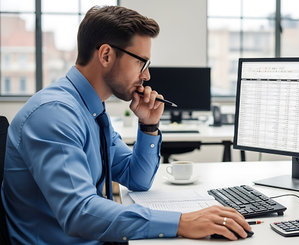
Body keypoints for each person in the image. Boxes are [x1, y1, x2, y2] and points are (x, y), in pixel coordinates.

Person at [1, 5, 251, 244]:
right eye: (141, 62)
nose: (147, 75)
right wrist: (180, 222)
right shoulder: (54, 115)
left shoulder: (92, 110)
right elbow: (79, 212)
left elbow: (136, 178)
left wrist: (148, 126)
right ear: (106, 55)